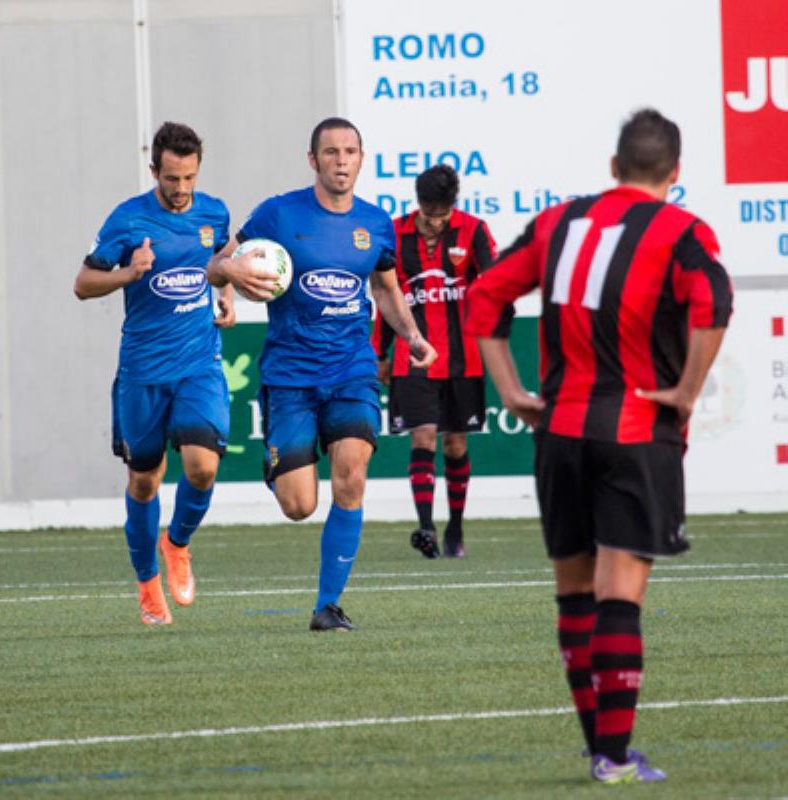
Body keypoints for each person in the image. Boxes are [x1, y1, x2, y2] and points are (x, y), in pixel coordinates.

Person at [465, 109, 732, 783]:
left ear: (613, 168)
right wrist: (687, 391)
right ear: (674, 175)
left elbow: (486, 298)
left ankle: (601, 755)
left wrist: (512, 390)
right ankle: (612, 756)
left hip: (559, 433)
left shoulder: (558, 223)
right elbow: (715, 304)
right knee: (619, 594)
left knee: (575, 595)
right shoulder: (682, 231)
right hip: (638, 432)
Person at [210, 117, 437, 632]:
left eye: (350, 151)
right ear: (312, 160)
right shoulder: (278, 212)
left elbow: (385, 288)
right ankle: (278, 465)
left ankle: (328, 607)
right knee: (298, 505)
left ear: (361, 158)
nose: (341, 160)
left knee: (351, 476)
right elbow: (216, 264)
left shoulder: (376, 224)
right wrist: (230, 278)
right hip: (290, 375)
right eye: (330, 152)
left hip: (351, 369)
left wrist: (413, 336)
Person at [75, 122, 236, 626]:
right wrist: (129, 273)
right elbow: (82, 284)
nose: (181, 189)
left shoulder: (214, 212)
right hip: (142, 370)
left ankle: (178, 544)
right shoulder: (127, 220)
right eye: (171, 178)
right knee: (144, 483)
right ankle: (147, 585)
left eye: (188, 177)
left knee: (202, 467)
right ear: (154, 171)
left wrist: (226, 294)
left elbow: (220, 260)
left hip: (199, 363)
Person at [371, 165, 496, 558]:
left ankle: (455, 529)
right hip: (413, 360)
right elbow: (385, 297)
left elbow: (493, 284)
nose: (434, 223)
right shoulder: (393, 232)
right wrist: (379, 354)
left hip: (463, 359)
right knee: (422, 436)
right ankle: (426, 527)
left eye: (441, 216)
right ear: (418, 204)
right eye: (428, 215)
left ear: (452, 208)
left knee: (455, 443)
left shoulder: (474, 231)